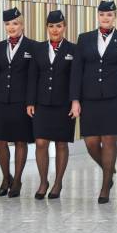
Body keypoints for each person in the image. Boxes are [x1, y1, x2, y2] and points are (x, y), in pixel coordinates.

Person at [69, 0, 117, 204]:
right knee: (90, 143)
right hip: (90, 98)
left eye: (110, 15)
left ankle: (105, 185)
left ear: (115, 17)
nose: (106, 18)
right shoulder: (85, 38)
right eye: (102, 14)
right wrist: (75, 100)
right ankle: (109, 169)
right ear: (97, 16)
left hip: (116, 98)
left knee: (109, 141)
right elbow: (77, 71)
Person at [0, 7, 35, 197]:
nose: (11, 27)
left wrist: (31, 102)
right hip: (1, 100)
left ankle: (18, 181)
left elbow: (33, 78)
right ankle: (6, 177)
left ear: (21, 25)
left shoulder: (32, 46)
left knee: (21, 140)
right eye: (8, 24)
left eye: (15, 23)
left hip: (21, 102)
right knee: (0, 140)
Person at [26, 10, 76, 199]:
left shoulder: (73, 49)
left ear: (64, 27)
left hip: (64, 105)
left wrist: (74, 102)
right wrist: (30, 101)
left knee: (61, 143)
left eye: (59, 26)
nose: (55, 30)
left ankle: (58, 183)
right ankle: (43, 181)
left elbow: (75, 79)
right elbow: (32, 77)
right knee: (40, 142)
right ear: (47, 27)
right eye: (51, 26)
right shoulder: (38, 49)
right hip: (42, 104)